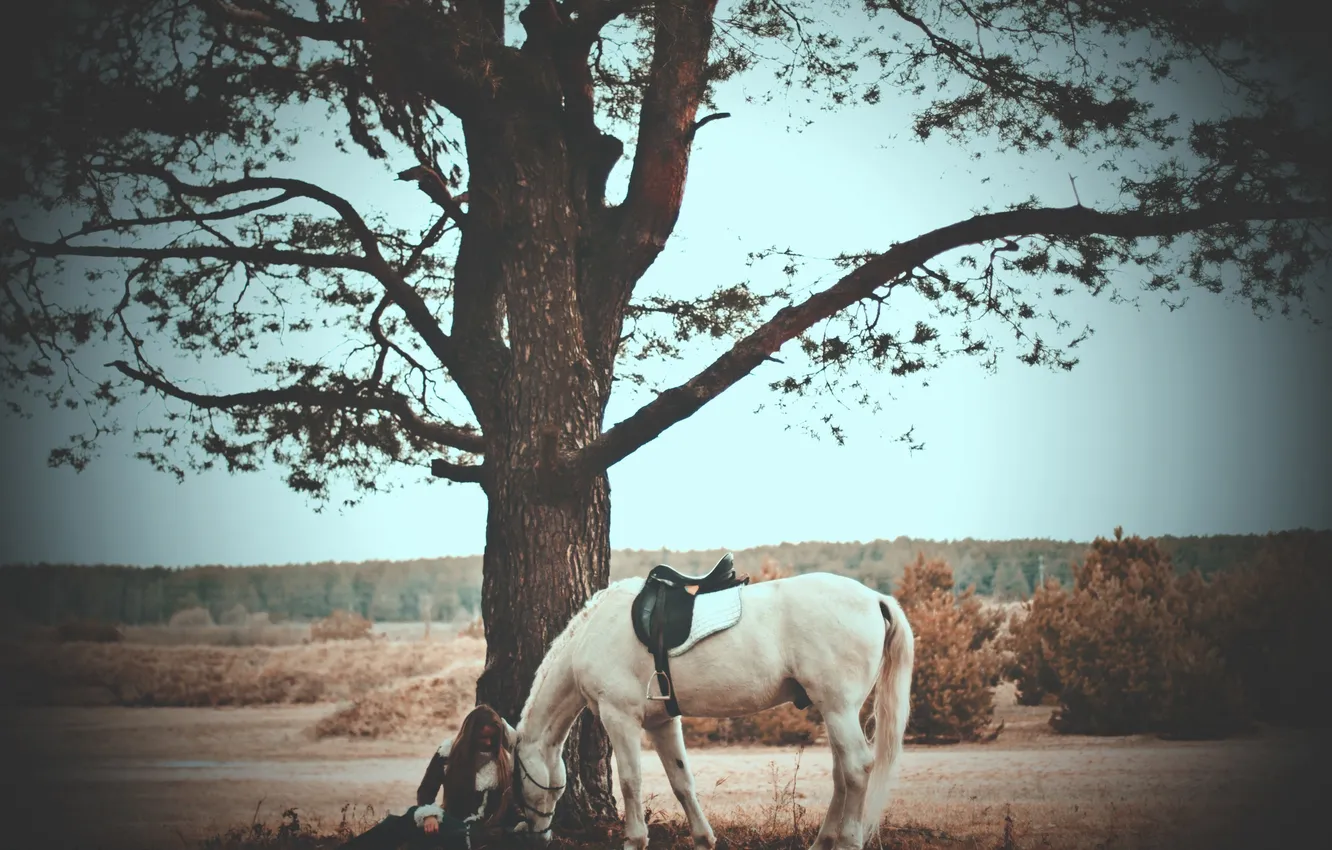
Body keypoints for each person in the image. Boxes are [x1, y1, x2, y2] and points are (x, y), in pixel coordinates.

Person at [339, 704, 514, 850]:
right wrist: (429, 815)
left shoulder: (504, 763)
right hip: (449, 824)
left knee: (408, 818)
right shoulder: (448, 754)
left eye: (492, 738)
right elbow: (426, 790)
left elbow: (511, 807)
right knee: (403, 824)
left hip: (477, 834)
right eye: (483, 737)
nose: (488, 743)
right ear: (470, 734)